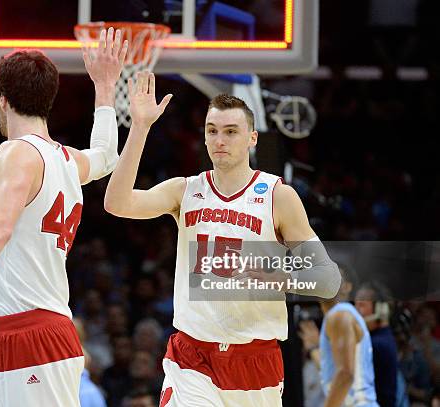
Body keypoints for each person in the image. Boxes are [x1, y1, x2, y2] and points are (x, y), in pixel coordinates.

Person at [0, 27, 128, 406]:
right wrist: (105, 87)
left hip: (34, 337)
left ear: (1, 100)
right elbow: (107, 156)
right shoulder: (67, 159)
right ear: (49, 102)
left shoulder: (16, 153)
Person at [104, 73, 341, 406]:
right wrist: (141, 127)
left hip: (255, 362)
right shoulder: (185, 190)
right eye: (212, 131)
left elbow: (329, 281)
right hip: (192, 358)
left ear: (252, 138)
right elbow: (117, 204)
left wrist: (274, 277)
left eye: (231, 132)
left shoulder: (278, 196)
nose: (220, 140)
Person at [300, 264, 378, 407]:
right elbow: (334, 371)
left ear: (347, 287)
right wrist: (314, 349)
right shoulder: (340, 315)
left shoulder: (340, 315)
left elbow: (345, 374)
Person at [355, 281, 405, 407]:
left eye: (361, 305)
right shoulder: (381, 338)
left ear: (381, 309)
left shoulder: (377, 344)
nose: (356, 312)